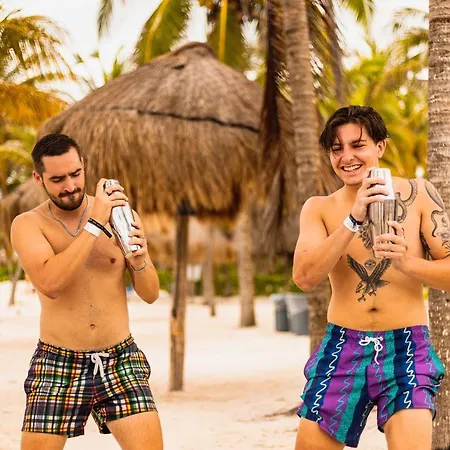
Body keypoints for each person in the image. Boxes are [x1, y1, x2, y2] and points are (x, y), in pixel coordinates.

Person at [292, 106, 447, 450]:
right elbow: (304, 277)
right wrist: (353, 219)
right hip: (342, 346)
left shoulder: (420, 194)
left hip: (406, 347)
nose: (347, 157)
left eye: (357, 145)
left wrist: (407, 263)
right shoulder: (319, 208)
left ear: (380, 146)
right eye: (336, 149)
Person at [11, 134, 163, 449]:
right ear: (39, 178)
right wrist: (94, 224)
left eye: (75, 174)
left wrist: (140, 260)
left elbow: (150, 294)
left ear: (83, 165)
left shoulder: (122, 214)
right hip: (57, 361)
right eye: (58, 179)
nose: (70, 186)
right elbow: (51, 284)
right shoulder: (28, 224)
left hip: (119, 357)